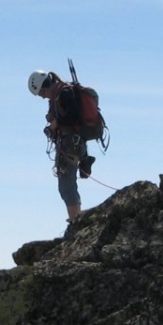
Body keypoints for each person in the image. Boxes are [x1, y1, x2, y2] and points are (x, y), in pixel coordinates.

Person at [28, 69, 96, 224]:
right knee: (66, 185)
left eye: (41, 93)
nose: (43, 97)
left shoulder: (63, 93)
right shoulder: (61, 93)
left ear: (44, 86)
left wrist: (56, 124)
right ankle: (75, 217)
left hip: (71, 145)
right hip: (72, 144)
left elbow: (74, 116)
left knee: (66, 185)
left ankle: (75, 221)